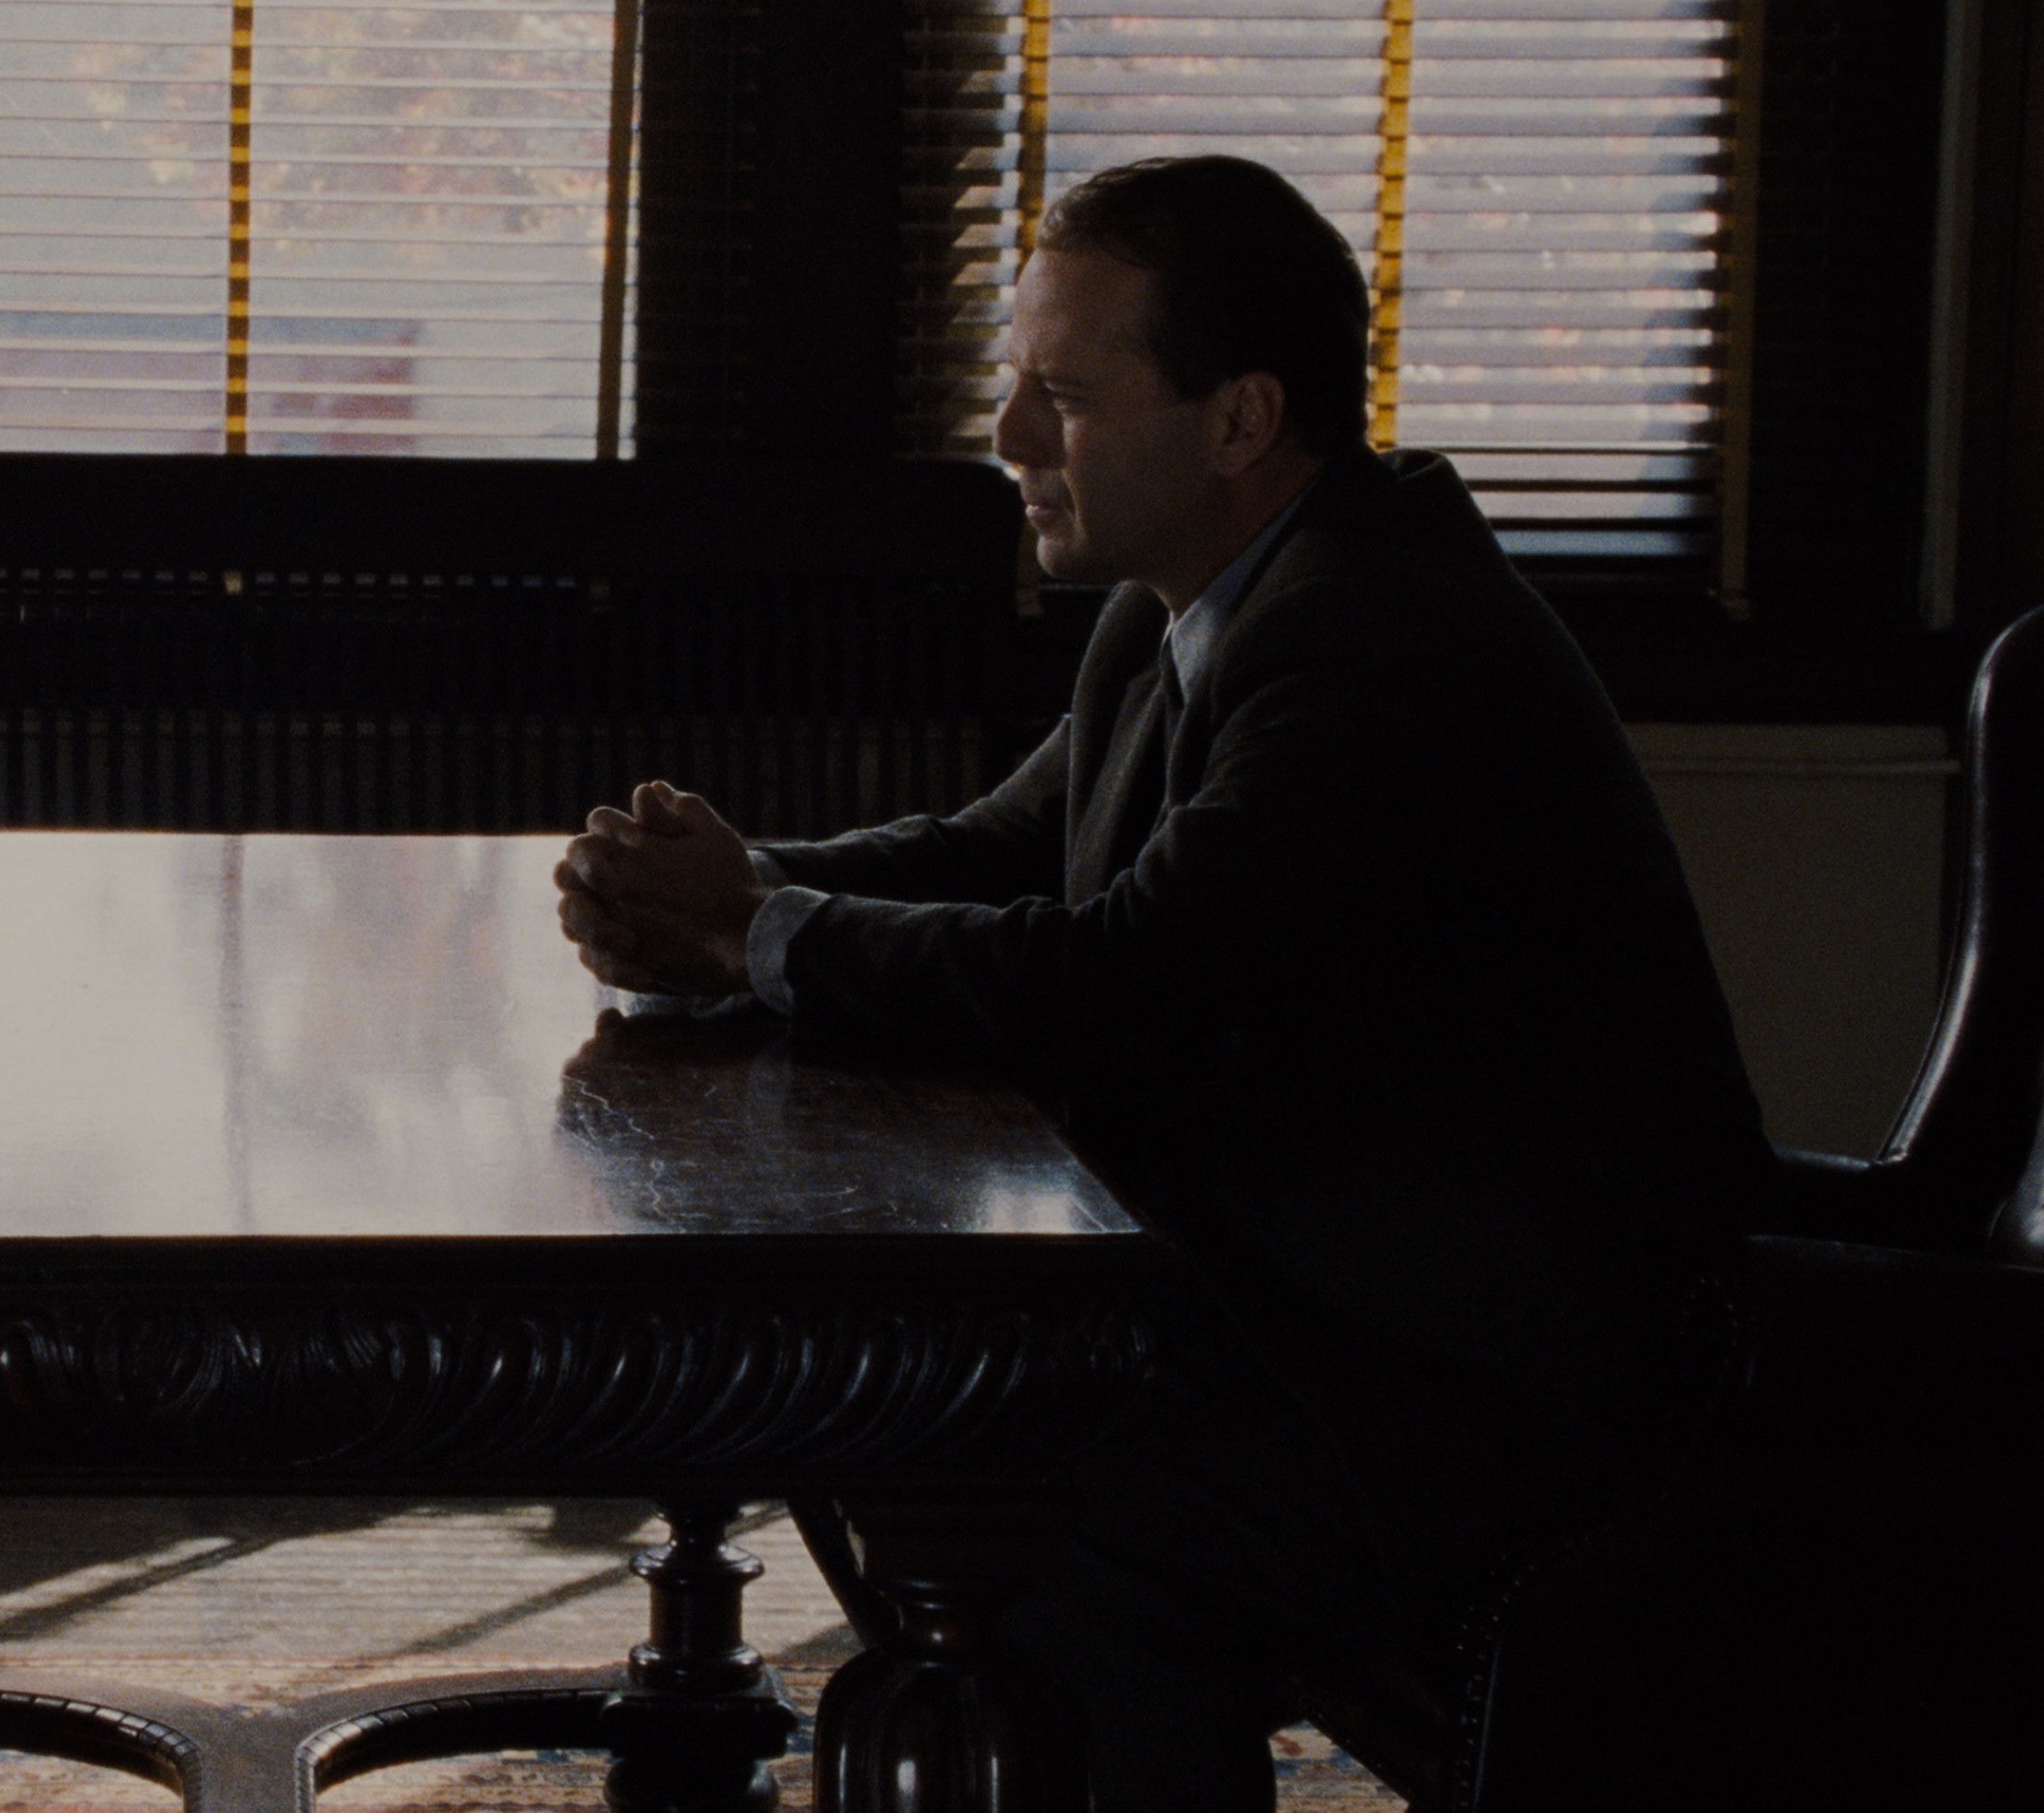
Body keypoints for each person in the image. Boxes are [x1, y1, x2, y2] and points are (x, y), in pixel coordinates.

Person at [554, 155, 1772, 1808]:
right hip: (1315, 1317)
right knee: (905, 1433)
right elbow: (999, 852)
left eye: (1061, 396)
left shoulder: (1375, 634)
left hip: (1496, 1394)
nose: (1009, 436)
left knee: (1004, 1503)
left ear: (1239, 418)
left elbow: (1133, 979)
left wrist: (747, 932)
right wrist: (729, 887)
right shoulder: (1190, 601)